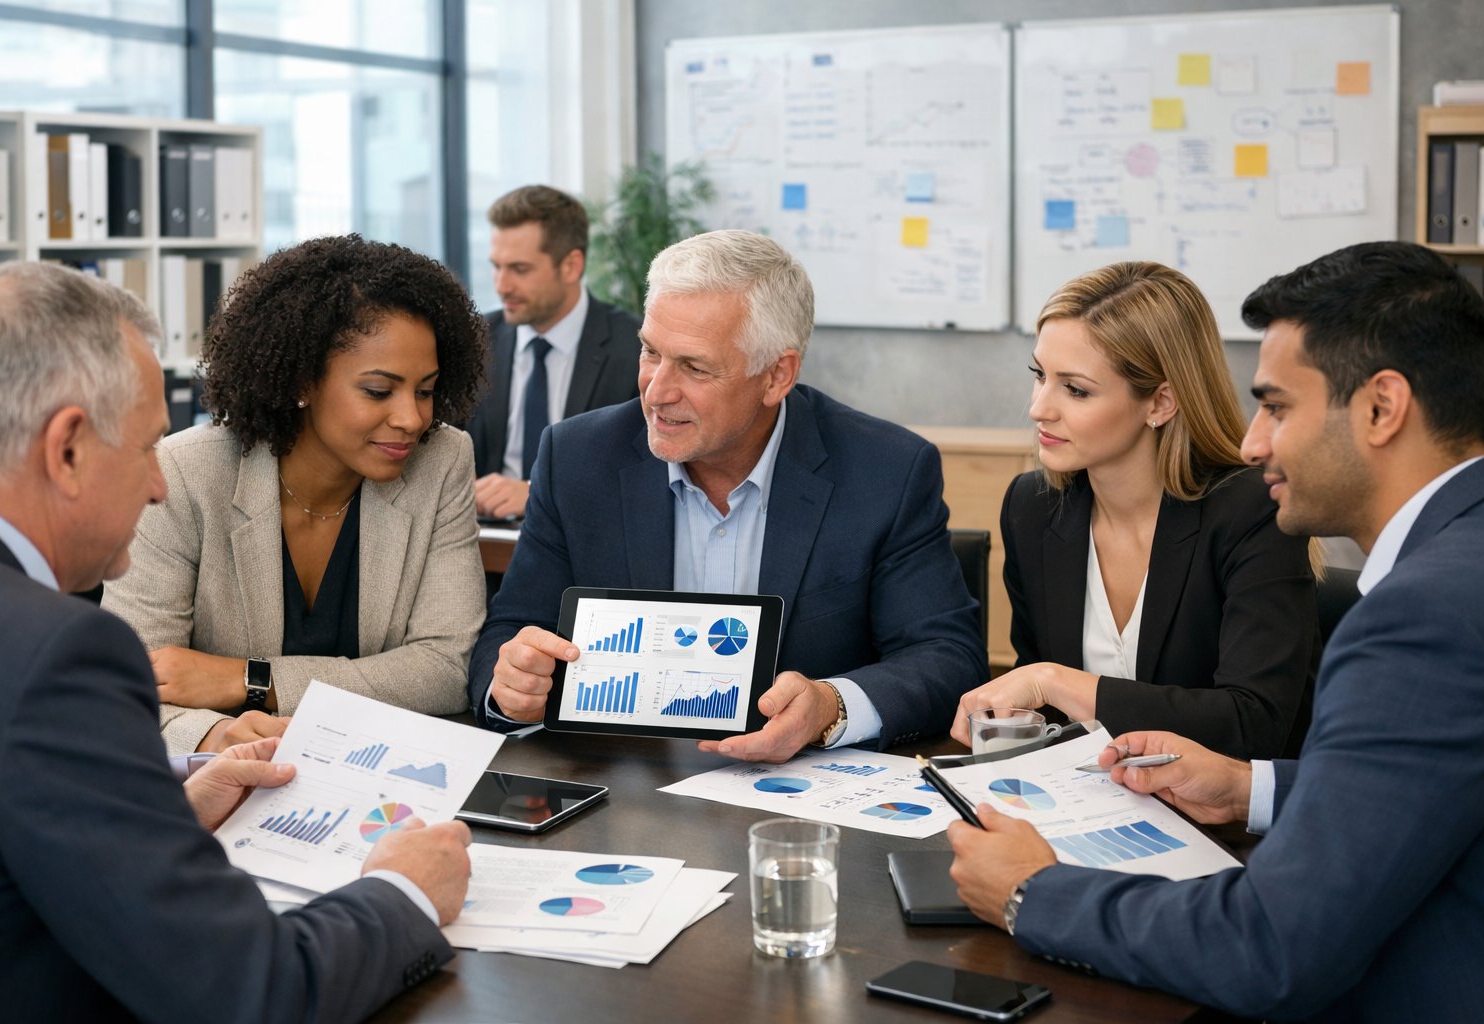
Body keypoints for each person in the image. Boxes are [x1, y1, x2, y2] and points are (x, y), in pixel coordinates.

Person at [947, 241, 1484, 1022]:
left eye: (1277, 407)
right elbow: (1436, 778)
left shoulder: (1421, 615)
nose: (1253, 441)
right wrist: (1252, 786)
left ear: (1381, 407)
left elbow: (1270, 948)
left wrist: (1035, 891)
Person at [0, 262, 474, 1021]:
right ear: (66, 448)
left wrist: (168, 797)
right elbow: (252, 990)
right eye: (143, 450)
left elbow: (0, 817)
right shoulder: (54, 655)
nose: (157, 485)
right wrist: (401, 892)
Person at [470, 229, 984, 761]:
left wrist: (830, 706)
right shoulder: (577, 458)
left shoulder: (885, 470)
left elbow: (945, 656)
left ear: (776, 375)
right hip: (626, 789)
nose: (656, 390)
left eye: (694, 367)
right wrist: (509, 685)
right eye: (650, 352)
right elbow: (510, 630)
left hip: (802, 796)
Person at [103, 235, 490, 755]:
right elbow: (134, 680)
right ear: (301, 381)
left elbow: (444, 669)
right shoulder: (188, 471)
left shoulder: (441, 460)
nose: (412, 419)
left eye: (425, 390)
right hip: (221, 784)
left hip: (380, 773)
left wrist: (251, 681)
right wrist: (212, 735)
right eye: (379, 391)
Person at [951, 262, 1318, 760]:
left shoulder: (1251, 511)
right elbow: (1044, 712)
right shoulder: (1032, 508)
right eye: (1040, 376)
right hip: (1090, 806)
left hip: (1226, 824)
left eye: (1075, 389)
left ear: (1160, 402)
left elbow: (1252, 723)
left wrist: (1054, 681)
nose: (1039, 406)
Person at [467, 185, 642, 519]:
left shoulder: (635, 348)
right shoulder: (474, 342)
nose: (502, 285)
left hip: (586, 546)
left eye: (519, 269)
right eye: (496, 266)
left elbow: (645, 474)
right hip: (484, 546)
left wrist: (537, 493)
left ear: (571, 266)